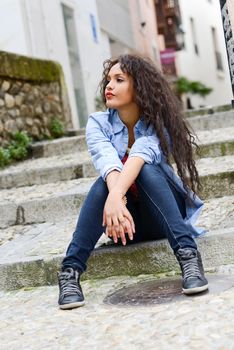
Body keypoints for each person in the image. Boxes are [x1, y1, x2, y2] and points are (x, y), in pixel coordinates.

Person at [57, 54, 208, 310]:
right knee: (103, 182)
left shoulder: (159, 124)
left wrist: (116, 197)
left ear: (139, 86)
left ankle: (188, 256)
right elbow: (108, 163)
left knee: (146, 170)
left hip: (161, 217)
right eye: (108, 80)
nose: (109, 86)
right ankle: (69, 272)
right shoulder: (98, 123)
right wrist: (116, 198)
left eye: (119, 80)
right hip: (123, 225)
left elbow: (140, 155)